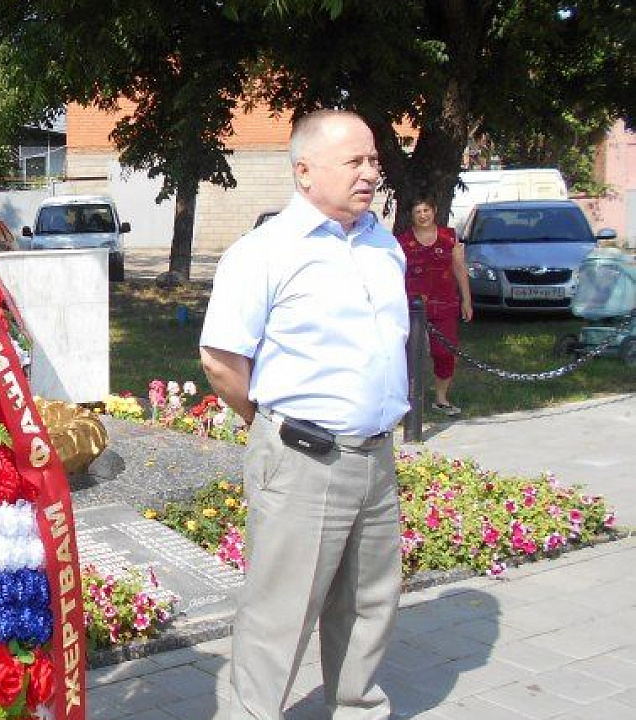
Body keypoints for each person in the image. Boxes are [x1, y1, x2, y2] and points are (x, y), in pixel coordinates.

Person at [199, 109, 408, 720]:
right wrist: (271, 427)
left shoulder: (383, 244)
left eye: (373, 160)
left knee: (372, 602)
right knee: (279, 613)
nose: (371, 172)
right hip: (301, 458)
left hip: (374, 455)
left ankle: (359, 706)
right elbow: (220, 359)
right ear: (305, 172)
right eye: (355, 162)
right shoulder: (264, 251)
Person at [396, 196, 473, 416]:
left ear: (434, 211)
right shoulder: (402, 241)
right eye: (418, 211)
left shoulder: (449, 237)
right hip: (412, 306)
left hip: (445, 303)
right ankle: (406, 399)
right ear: (412, 215)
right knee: (407, 354)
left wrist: (467, 300)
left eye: (426, 210)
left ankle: (441, 398)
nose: (423, 215)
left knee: (445, 353)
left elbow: (459, 268)